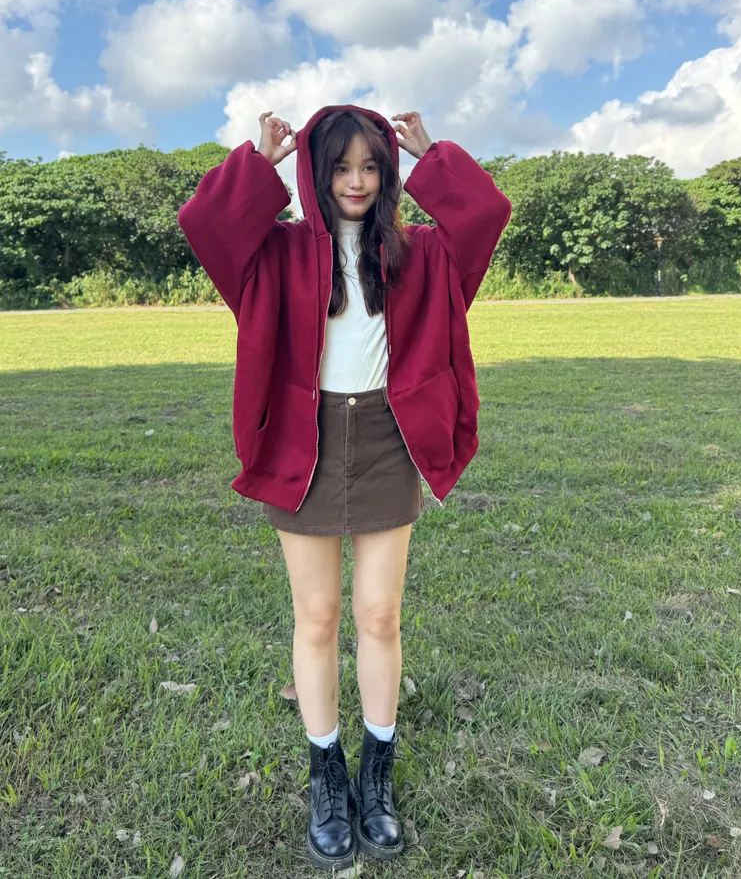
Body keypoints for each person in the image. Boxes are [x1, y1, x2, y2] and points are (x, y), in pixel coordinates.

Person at [178, 105, 512, 869]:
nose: (355, 181)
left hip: (389, 438)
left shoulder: (420, 253)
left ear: (386, 172)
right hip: (306, 440)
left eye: (370, 165)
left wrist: (434, 156)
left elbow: (484, 217)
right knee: (319, 614)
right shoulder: (278, 253)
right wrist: (255, 162)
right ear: (316, 173)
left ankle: (377, 773)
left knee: (380, 613)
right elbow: (207, 225)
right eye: (339, 167)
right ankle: (327, 772)